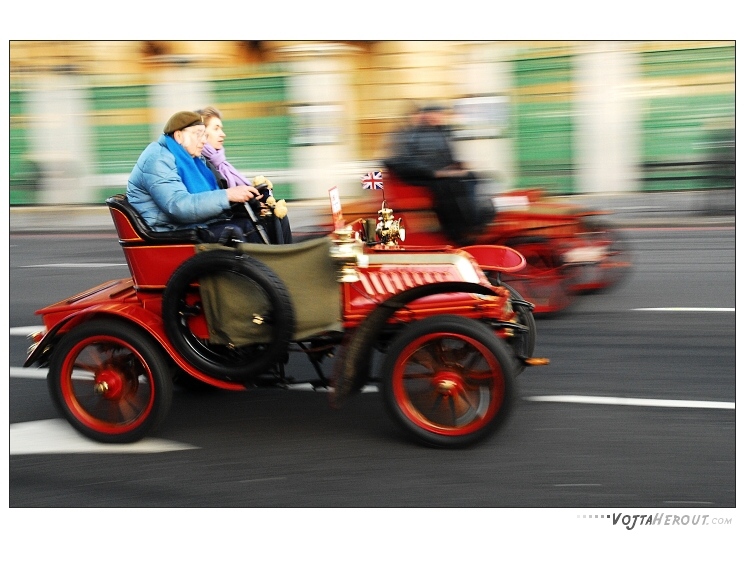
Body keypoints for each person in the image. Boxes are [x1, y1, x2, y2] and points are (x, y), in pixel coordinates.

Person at [127, 110, 265, 243]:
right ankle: (261, 266)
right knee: (236, 230)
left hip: (190, 225)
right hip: (168, 232)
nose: (204, 141)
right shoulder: (157, 160)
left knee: (264, 220)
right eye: (198, 134)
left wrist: (243, 201)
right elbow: (178, 207)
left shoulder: (192, 158)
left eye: (204, 135)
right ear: (179, 136)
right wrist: (227, 195)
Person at [384, 103, 494, 245]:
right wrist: (435, 172)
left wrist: (458, 165)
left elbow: (444, 156)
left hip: (435, 172)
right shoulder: (405, 135)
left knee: (471, 177)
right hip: (417, 175)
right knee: (449, 186)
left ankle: (477, 216)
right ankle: (457, 231)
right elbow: (404, 160)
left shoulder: (437, 132)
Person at [197, 106, 293, 244]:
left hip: (233, 212)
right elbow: (216, 198)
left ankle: (284, 257)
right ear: (203, 133)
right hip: (221, 219)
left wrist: (255, 197)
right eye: (216, 128)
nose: (223, 134)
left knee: (278, 216)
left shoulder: (221, 163)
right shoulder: (203, 163)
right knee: (266, 221)